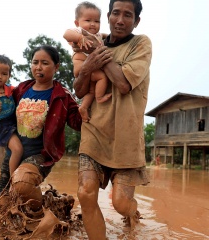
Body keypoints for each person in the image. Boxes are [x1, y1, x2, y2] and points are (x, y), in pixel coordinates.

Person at [73, 0, 152, 239]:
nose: (120, 20)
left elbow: (123, 84)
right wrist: (87, 67)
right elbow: (79, 90)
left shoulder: (141, 44)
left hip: (126, 139)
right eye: (115, 13)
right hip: (94, 132)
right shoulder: (91, 43)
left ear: (136, 21)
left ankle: (133, 213)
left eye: (127, 15)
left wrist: (97, 55)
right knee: (86, 193)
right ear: (107, 15)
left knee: (121, 204)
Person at [0, 45, 82, 211]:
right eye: (35, 62)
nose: (38, 67)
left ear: (56, 67)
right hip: (14, 153)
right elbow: (5, 113)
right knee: (3, 201)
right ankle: (47, 205)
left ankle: (47, 209)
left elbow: (77, 123)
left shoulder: (62, 96)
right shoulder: (21, 89)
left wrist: (87, 104)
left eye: (45, 63)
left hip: (41, 155)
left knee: (22, 183)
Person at [63, 1, 111, 122]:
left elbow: (106, 35)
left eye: (97, 21)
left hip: (91, 69)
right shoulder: (80, 32)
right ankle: (99, 98)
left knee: (91, 90)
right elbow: (66, 34)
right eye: (88, 20)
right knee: (102, 78)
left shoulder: (98, 35)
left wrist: (110, 37)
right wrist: (80, 38)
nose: (93, 24)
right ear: (77, 22)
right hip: (81, 66)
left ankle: (83, 107)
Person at [0, 54, 23, 176]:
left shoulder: (11, 90)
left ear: (9, 75)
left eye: (4, 74)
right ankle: (13, 180)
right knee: (17, 149)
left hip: (16, 124)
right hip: (2, 128)